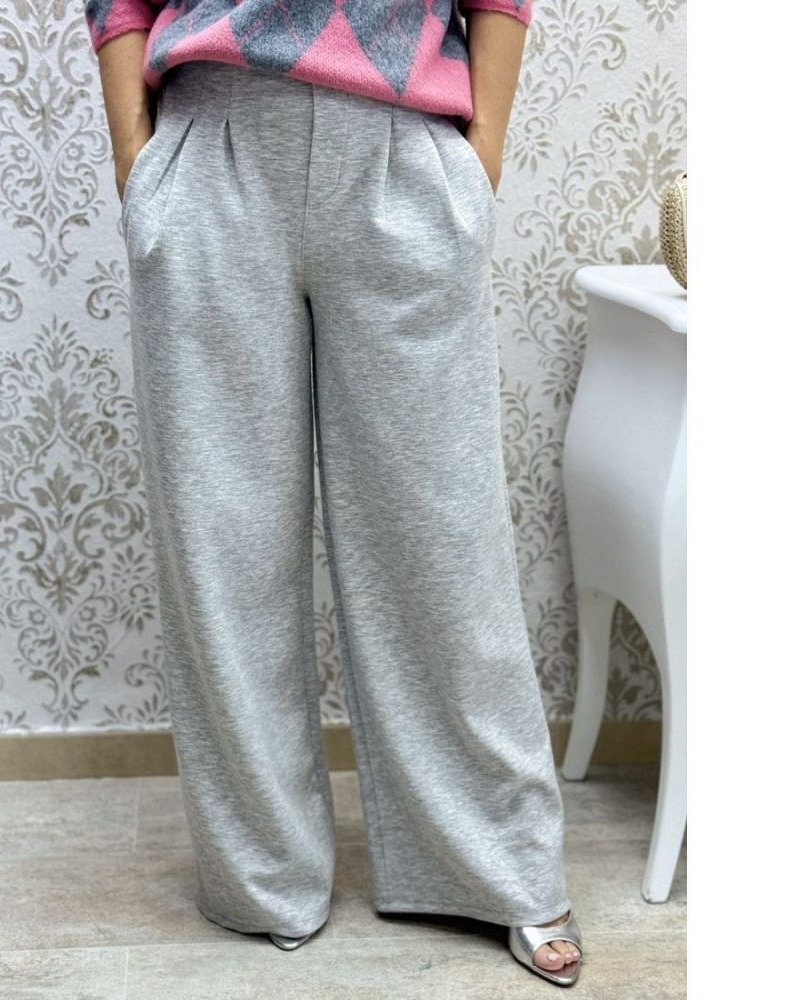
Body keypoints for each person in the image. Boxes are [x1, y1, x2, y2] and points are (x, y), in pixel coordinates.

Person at [84, 0, 583, 987]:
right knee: (225, 547)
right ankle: (264, 873)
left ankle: (502, 867)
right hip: (213, 140)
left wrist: (479, 157)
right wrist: (135, 163)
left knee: (445, 543)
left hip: (401, 143)